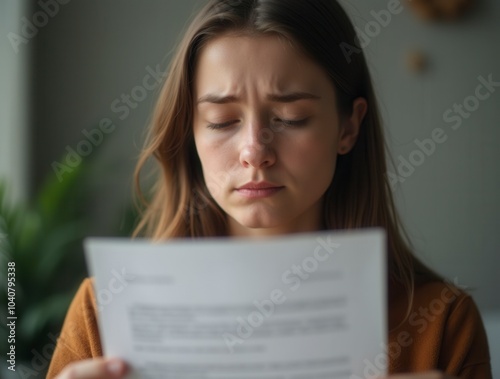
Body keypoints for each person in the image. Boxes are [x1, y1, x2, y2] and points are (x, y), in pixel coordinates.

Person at [46, 0, 492, 378]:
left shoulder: (443, 326)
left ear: (349, 127)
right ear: (190, 133)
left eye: (292, 117)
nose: (254, 152)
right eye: (222, 122)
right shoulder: (103, 313)